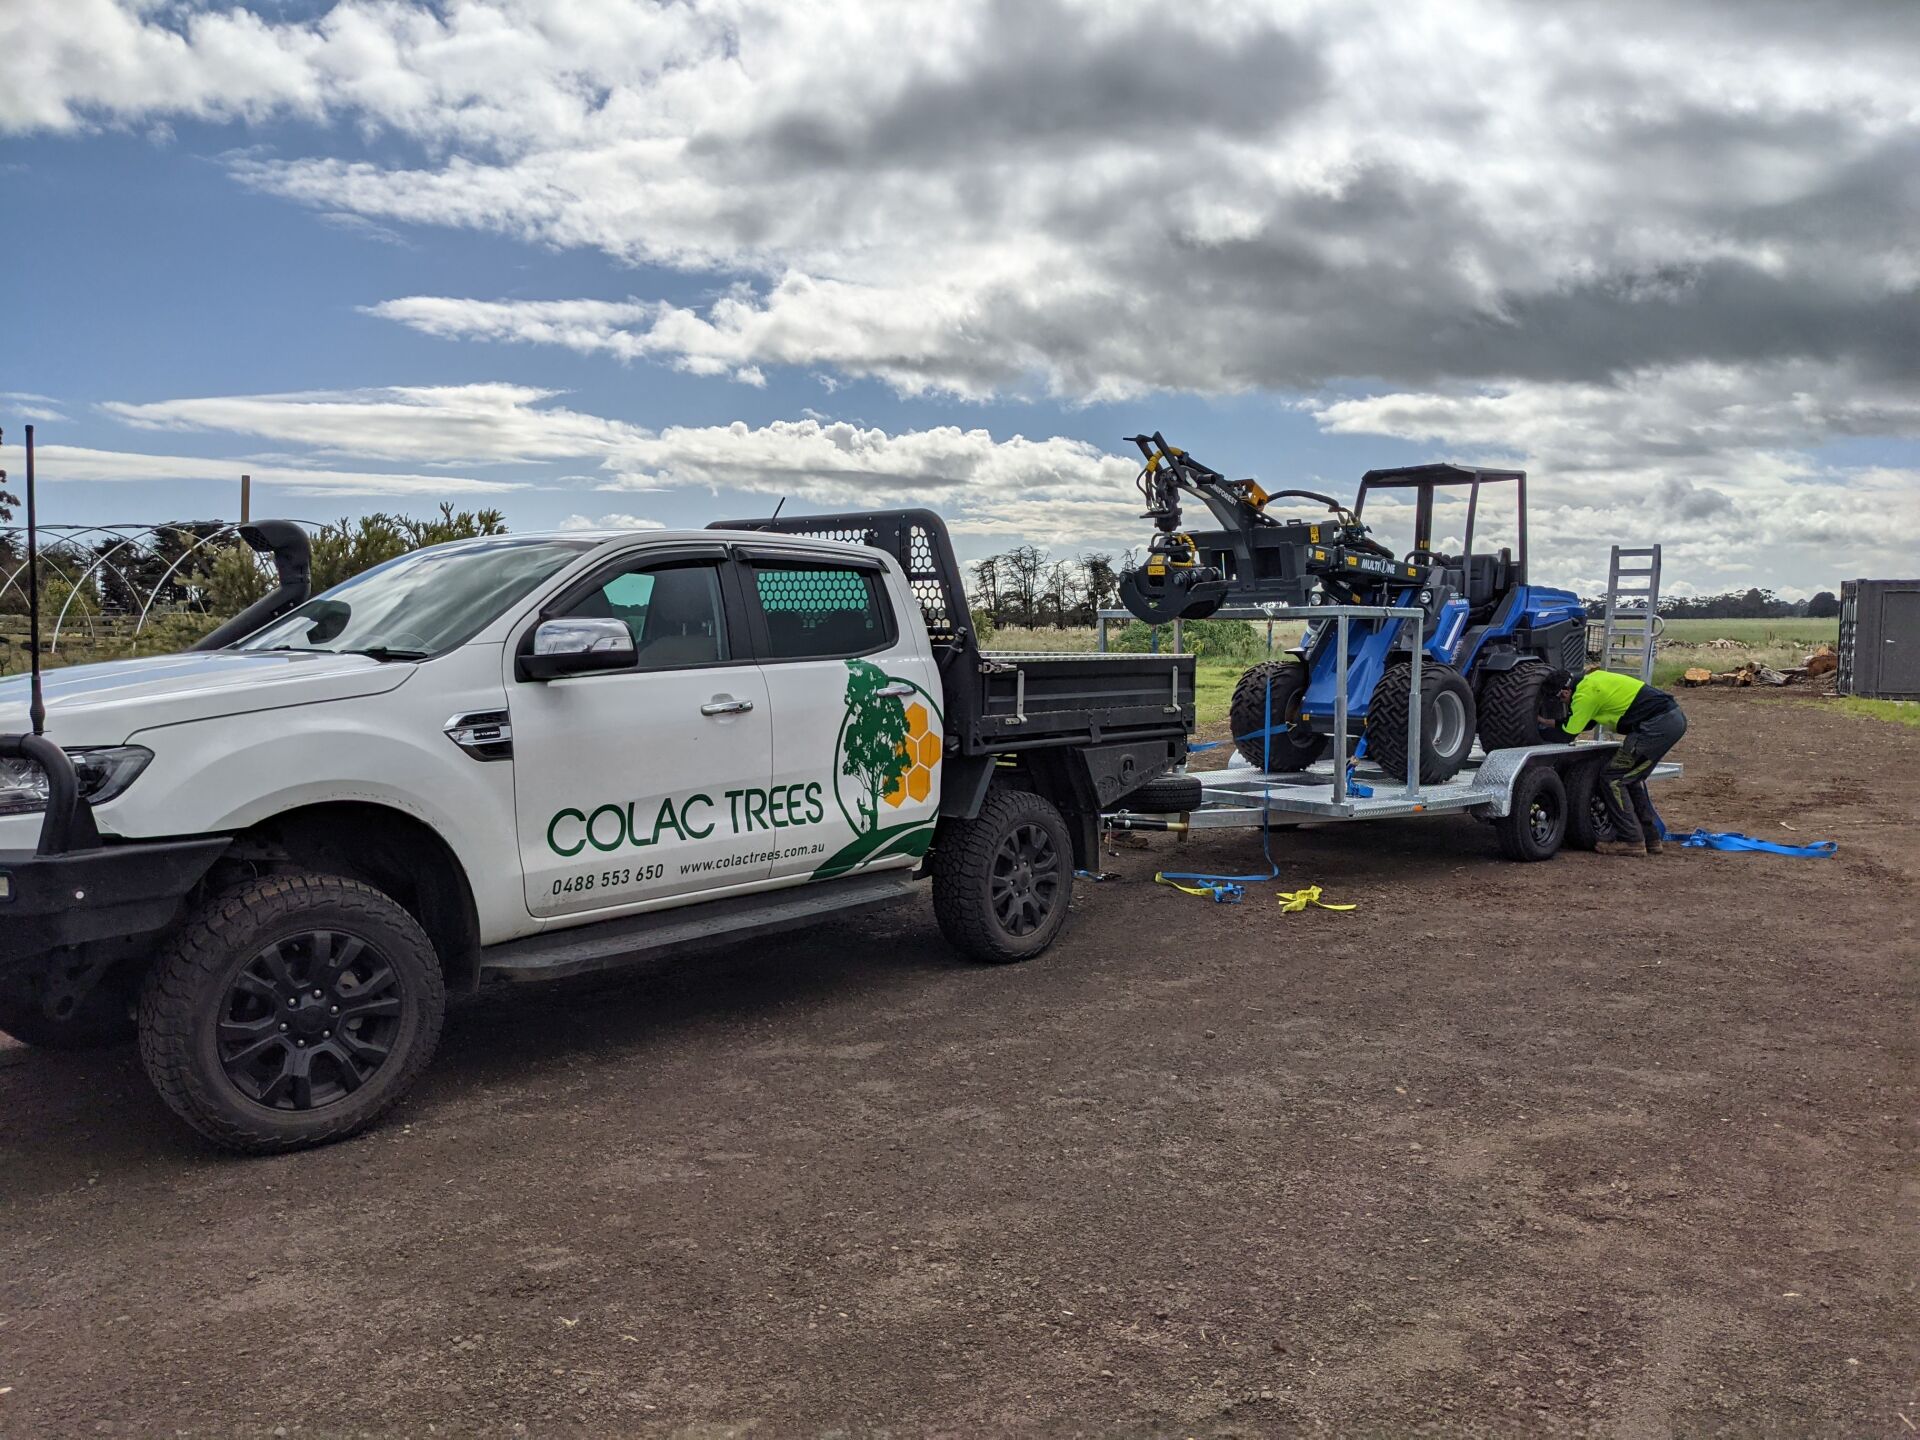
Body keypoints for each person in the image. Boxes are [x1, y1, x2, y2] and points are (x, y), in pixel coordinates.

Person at [1536, 668, 1686, 857]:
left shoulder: (1584, 695)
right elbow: (1585, 722)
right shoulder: (1591, 681)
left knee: (1614, 777)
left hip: (1656, 727)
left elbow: (1567, 733)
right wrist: (1545, 721)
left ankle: (1631, 840)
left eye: (1560, 699)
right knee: (1629, 778)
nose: (1563, 703)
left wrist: (1536, 731)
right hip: (1670, 720)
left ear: (1564, 692)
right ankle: (1651, 839)